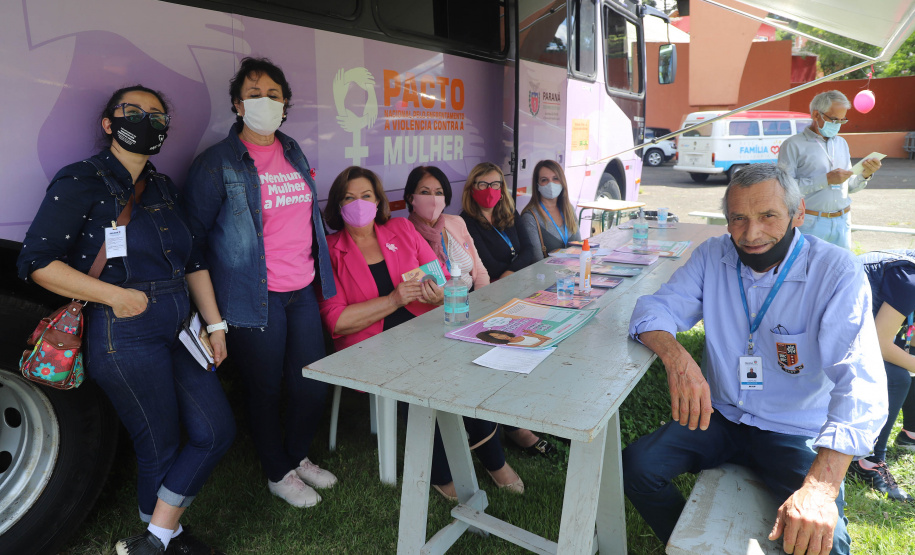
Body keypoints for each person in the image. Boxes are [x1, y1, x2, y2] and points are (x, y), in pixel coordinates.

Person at [625, 163, 887, 555]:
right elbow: (653, 310)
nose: (751, 234)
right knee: (637, 466)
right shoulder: (713, 255)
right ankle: (687, 545)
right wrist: (678, 359)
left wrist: (820, 487)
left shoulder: (835, 271)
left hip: (794, 429)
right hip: (722, 416)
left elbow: (861, 380)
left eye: (768, 216)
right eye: (738, 219)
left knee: (825, 544)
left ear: (799, 213)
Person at [17, 86, 234, 555]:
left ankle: (154, 540)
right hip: (124, 332)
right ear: (108, 124)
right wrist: (115, 296)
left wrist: (215, 325)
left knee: (216, 430)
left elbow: (193, 260)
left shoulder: (160, 185)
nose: (147, 120)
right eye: (133, 111)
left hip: (180, 328)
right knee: (159, 443)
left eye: (157, 115)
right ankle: (166, 538)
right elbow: (37, 262)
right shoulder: (81, 180)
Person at [184, 57, 337, 509]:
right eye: (254, 94)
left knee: (311, 383)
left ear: (285, 103)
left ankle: (296, 455)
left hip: (302, 292)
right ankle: (276, 471)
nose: (264, 102)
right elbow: (194, 239)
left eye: (273, 94)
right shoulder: (216, 164)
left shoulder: (293, 150)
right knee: (265, 388)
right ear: (236, 104)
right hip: (253, 298)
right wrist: (213, 319)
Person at [319, 166, 523, 501]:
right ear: (338, 206)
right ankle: (443, 470)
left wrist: (438, 293)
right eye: (349, 198)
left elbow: (443, 279)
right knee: (414, 377)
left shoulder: (400, 230)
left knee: (468, 365)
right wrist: (393, 300)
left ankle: (491, 456)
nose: (359, 204)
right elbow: (336, 321)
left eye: (366, 196)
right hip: (372, 344)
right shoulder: (331, 249)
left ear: (379, 200)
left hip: (421, 328)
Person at [848, 250, 915, 501]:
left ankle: (910, 432)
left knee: (908, 355)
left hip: (856, 328)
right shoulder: (910, 279)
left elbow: (909, 335)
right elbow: (880, 343)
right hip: (820, 333)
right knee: (897, 377)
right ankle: (867, 460)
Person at [778, 90, 882, 249]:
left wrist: (865, 175)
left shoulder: (841, 143)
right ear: (816, 115)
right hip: (811, 222)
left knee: (841, 271)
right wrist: (825, 180)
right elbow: (784, 189)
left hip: (843, 220)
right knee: (810, 270)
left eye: (842, 120)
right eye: (834, 119)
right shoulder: (793, 145)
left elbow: (849, 187)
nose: (838, 125)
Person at [404, 165, 489, 290]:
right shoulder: (406, 235)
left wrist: (481, 300)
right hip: (439, 305)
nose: (433, 199)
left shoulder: (457, 222)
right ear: (411, 198)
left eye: (439, 193)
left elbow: (480, 270)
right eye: (424, 192)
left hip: (472, 298)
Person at [459, 162, 533, 280]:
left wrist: (511, 272)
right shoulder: (465, 221)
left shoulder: (510, 211)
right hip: (491, 285)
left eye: (495, 184)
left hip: (516, 278)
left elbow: (528, 249)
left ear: (501, 188)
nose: (489, 189)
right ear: (472, 188)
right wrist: (514, 272)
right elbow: (487, 264)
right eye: (482, 184)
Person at [518, 160, 581, 260]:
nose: (550, 184)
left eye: (555, 178)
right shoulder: (530, 217)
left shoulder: (568, 209)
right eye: (544, 180)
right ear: (537, 185)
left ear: (562, 181)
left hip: (572, 271)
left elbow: (579, 248)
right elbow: (537, 261)